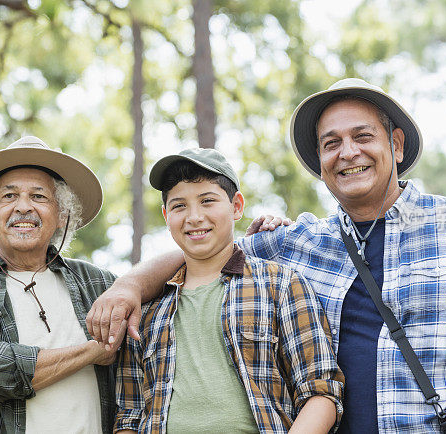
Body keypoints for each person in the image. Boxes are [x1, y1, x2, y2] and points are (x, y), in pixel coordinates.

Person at [87, 79, 446, 433]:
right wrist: (128, 287)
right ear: (320, 163)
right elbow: (202, 253)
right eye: (331, 144)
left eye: (363, 137)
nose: (347, 152)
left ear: (395, 145)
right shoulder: (298, 244)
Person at [114, 148, 344, 433]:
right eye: (179, 206)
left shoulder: (280, 285)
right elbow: (130, 413)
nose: (194, 217)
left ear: (236, 206)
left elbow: (321, 391)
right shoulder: (148, 309)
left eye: (207, 201)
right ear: (165, 215)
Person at [0, 136, 118, 433]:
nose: (23, 207)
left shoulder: (98, 283)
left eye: (39, 196)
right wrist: (93, 352)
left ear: (62, 215)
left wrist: (135, 284)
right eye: (9, 196)